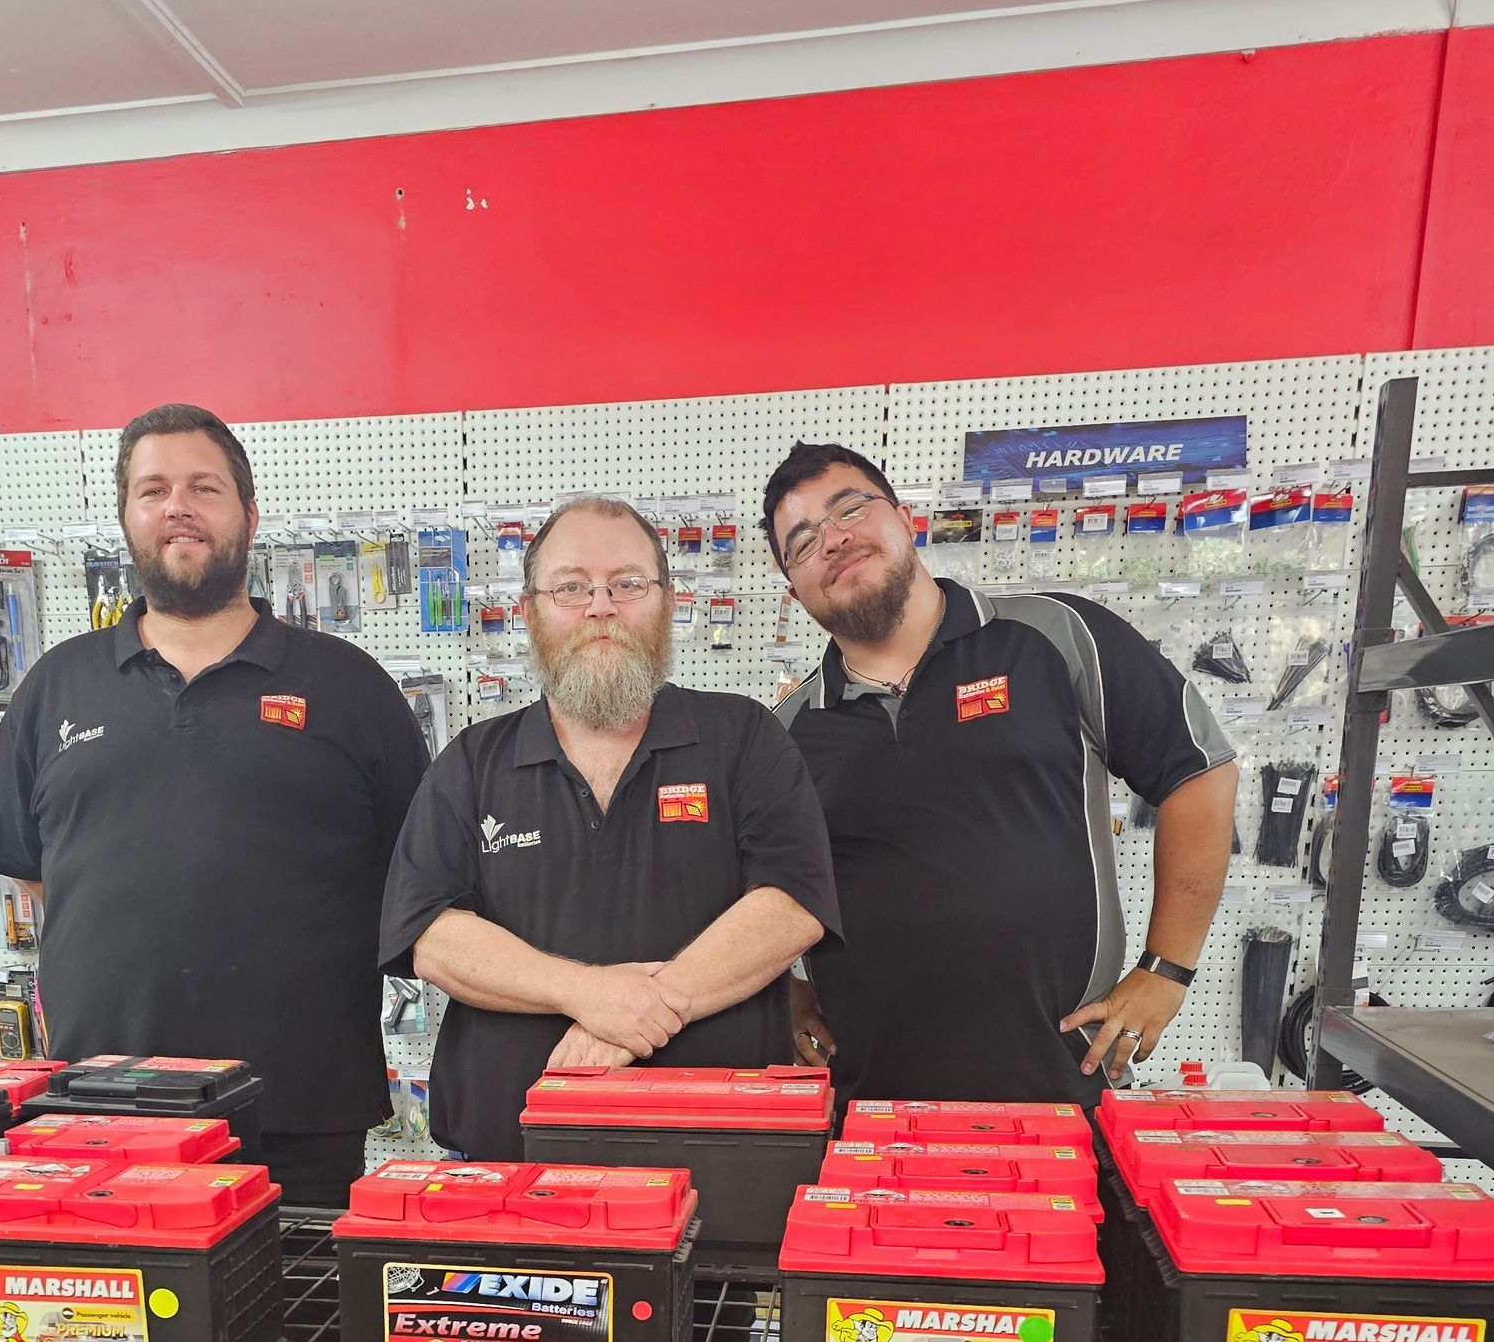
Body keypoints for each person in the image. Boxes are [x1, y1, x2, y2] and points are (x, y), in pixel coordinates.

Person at [0, 400, 430, 1209]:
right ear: (125, 519)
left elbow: (414, 877)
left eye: (203, 488)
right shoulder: (54, 687)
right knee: (117, 1333)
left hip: (298, 1106)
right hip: (104, 1104)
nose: (177, 506)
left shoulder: (350, 687)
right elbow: (41, 876)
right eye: (153, 490)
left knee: (302, 1335)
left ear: (249, 516)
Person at [762, 442, 1238, 1099]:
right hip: (867, 1107)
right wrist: (777, 993)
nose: (834, 540)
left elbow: (1198, 774)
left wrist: (1167, 968)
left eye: (850, 509)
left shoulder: (1058, 636)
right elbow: (733, 885)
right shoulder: (786, 731)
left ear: (904, 518)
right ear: (793, 587)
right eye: (803, 540)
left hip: (1061, 1085)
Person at [381, 495, 839, 1163]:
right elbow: (429, 934)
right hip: (506, 1158)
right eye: (572, 587)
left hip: (718, 1162)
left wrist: (646, 1012)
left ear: (666, 602)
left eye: (627, 584)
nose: (601, 607)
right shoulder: (473, 763)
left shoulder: (743, 738)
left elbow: (792, 904)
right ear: (530, 610)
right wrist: (587, 994)